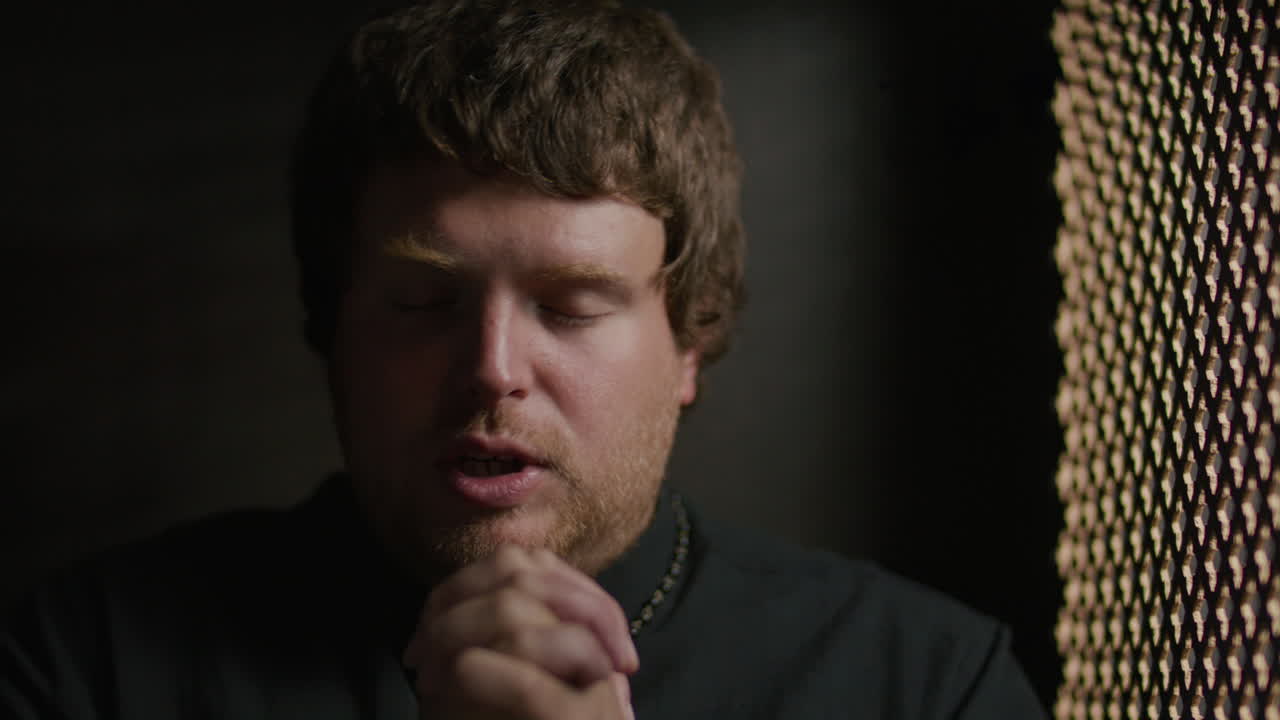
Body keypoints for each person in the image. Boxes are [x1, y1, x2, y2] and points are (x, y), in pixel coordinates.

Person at [1, 1, 1048, 717]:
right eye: (424, 302)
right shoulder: (89, 665)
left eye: (571, 307)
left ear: (689, 340)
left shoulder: (924, 686)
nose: (493, 368)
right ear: (331, 328)